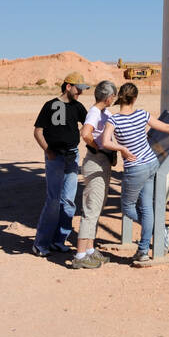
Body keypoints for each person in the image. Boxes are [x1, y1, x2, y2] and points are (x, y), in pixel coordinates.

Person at [105, 82, 169, 267]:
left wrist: (121, 148)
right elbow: (168, 128)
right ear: (135, 98)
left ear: (120, 97)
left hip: (135, 168)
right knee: (146, 207)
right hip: (151, 163)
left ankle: (158, 231)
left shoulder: (114, 120)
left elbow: (105, 141)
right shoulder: (142, 114)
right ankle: (142, 250)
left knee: (128, 207)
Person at [73, 80, 136, 270]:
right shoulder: (94, 112)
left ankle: (90, 250)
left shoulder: (103, 112)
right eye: (113, 96)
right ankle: (80, 255)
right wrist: (99, 148)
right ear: (109, 97)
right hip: (96, 162)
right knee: (91, 209)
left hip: (102, 162)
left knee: (97, 206)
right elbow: (85, 134)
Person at [32, 72, 90, 257]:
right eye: (78, 89)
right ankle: (40, 244)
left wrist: (79, 134)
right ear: (68, 86)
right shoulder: (50, 106)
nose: (80, 93)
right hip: (55, 158)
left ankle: (59, 240)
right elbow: (38, 131)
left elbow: (88, 124)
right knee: (53, 201)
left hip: (72, 157)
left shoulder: (78, 107)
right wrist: (48, 150)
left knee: (69, 202)